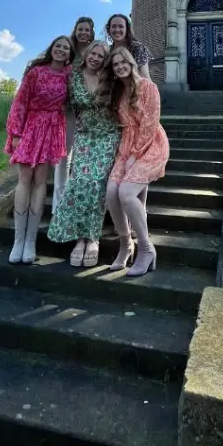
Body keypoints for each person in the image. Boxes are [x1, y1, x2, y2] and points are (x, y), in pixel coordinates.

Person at [47, 41, 119, 267]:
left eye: (101, 55)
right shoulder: (73, 78)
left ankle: (94, 238)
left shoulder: (110, 79)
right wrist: (66, 144)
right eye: (93, 53)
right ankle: (80, 239)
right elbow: (68, 112)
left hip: (107, 135)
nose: (96, 58)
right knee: (79, 182)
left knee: (97, 183)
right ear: (86, 54)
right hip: (84, 136)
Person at [4, 35, 74, 265]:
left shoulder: (69, 75)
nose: (61, 50)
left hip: (53, 128)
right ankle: (18, 240)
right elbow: (20, 101)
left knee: (41, 180)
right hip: (32, 126)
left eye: (65, 48)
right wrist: (15, 134)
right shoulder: (36, 72)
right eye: (58, 46)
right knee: (25, 178)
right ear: (51, 48)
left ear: (69, 54)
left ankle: (31, 241)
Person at [105, 47, 169, 277]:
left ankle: (146, 248)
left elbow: (150, 125)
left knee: (126, 193)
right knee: (111, 191)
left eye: (123, 62)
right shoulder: (119, 92)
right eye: (115, 65)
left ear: (131, 63)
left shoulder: (149, 87)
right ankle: (125, 243)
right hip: (127, 145)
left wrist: (134, 156)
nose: (120, 66)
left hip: (151, 145)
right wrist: (126, 154)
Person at [53, 17, 96, 214]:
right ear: (75, 30)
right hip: (69, 110)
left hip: (88, 111)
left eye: (87, 30)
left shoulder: (94, 52)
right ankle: (59, 205)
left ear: (92, 32)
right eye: (80, 29)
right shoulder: (68, 52)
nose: (83, 33)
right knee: (64, 156)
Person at [105, 14, 152, 80]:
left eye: (121, 26)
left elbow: (145, 77)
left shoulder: (137, 48)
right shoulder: (107, 50)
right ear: (109, 29)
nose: (117, 29)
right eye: (114, 26)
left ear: (127, 29)